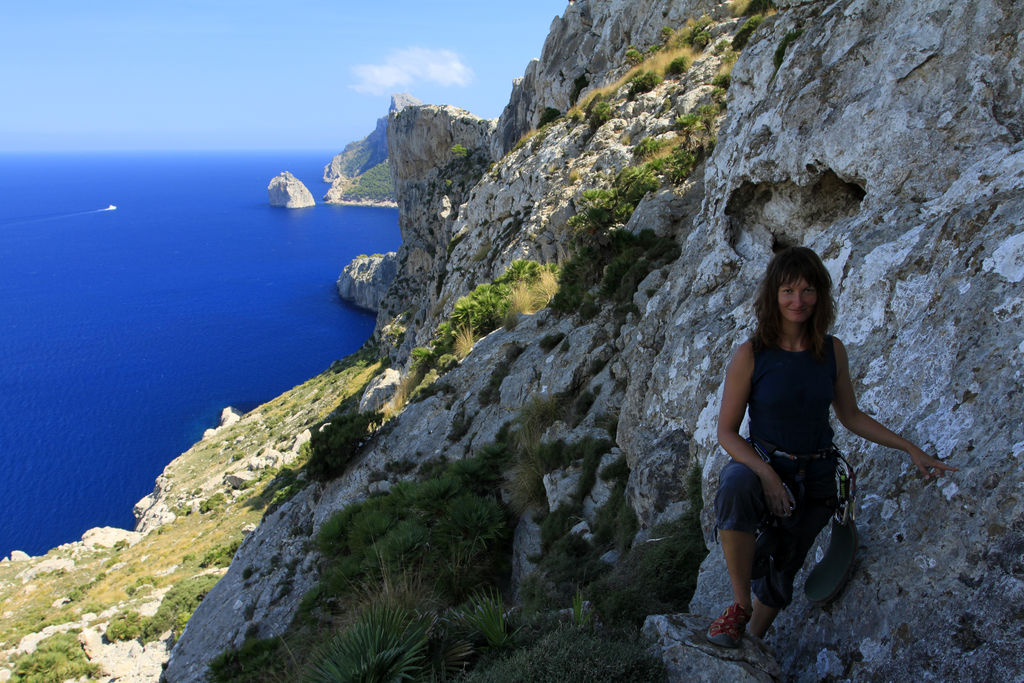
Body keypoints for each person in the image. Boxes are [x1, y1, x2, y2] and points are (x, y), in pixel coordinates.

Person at [706, 246, 957, 648]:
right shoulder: (752, 354)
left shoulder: (831, 350)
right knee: (735, 486)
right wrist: (768, 475)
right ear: (773, 295)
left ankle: (751, 644)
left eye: (807, 290)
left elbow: (851, 416)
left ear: (820, 295)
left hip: (818, 475)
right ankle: (739, 607)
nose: (798, 301)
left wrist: (909, 448)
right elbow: (727, 433)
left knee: (785, 566)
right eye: (788, 290)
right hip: (766, 463)